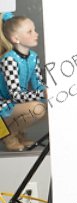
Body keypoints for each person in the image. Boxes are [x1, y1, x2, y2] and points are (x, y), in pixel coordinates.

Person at [0, 12, 47, 152]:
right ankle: (7, 135)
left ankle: (17, 133)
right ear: (16, 38)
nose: (36, 34)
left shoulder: (33, 57)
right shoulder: (9, 60)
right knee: (37, 108)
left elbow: (38, 84)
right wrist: (42, 94)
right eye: (29, 32)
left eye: (34, 30)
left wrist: (48, 92)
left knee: (50, 107)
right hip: (4, 104)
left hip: (15, 102)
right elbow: (15, 95)